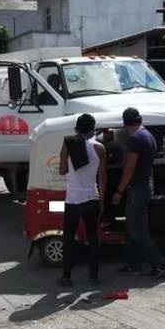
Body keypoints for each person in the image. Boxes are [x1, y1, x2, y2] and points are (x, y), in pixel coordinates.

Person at [112, 107, 165, 278]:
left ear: (126, 124)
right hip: (146, 184)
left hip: (137, 188)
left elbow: (130, 167)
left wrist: (119, 190)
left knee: (136, 229)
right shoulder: (149, 136)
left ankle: (159, 263)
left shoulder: (134, 139)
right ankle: (133, 264)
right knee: (131, 228)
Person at [57, 114, 107, 288]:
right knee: (93, 238)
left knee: (69, 239)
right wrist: (101, 201)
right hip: (91, 197)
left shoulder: (68, 144)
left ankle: (66, 277)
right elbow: (102, 177)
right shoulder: (100, 148)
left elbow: (62, 171)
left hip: (72, 198)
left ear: (76, 129)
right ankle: (93, 277)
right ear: (93, 129)